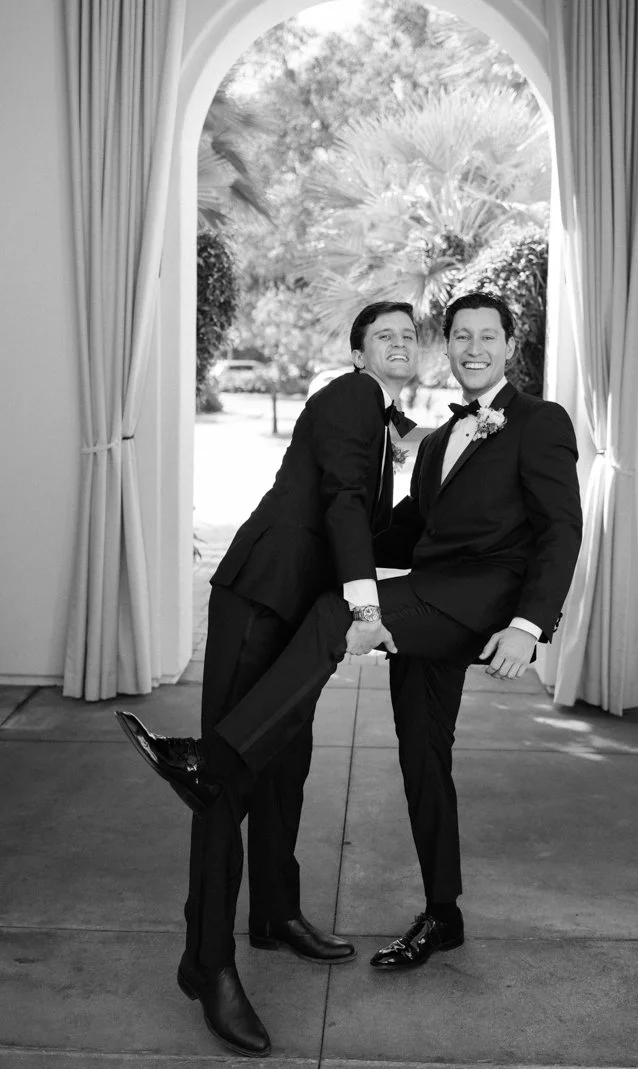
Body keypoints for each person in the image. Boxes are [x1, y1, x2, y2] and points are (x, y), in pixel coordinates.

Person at [166, 291, 583, 974]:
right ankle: (442, 915)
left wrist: (527, 624)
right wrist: (325, 516)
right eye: (461, 335)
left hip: (475, 606)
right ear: (446, 347)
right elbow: (402, 530)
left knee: (339, 611)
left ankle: (220, 759)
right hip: (429, 607)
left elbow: (562, 528)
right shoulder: (437, 440)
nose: (474, 348)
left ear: (511, 346)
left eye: (489, 336)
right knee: (423, 756)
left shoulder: (540, 421)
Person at [115, 301, 418, 1057]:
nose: (401, 342)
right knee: (226, 780)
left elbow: (372, 527)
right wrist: (367, 606)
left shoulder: (383, 422)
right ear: (358, 353)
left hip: (299, 606)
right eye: (385, 334)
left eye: (411, 335)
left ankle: (276, 914)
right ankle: (207, 963)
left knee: (286, 768)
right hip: (260, 595)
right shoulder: (351, 395)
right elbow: (341, 503)